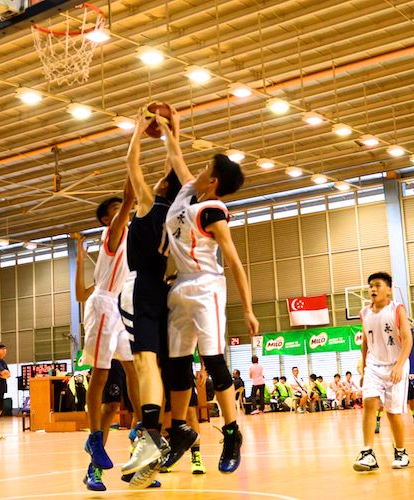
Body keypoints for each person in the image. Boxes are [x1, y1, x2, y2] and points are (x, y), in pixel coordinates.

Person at [159, 109, 259, 474]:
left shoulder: (212, 210)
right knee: (176, 365)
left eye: (204, 167)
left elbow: (233, 261)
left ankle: (232, 431)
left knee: (214, 362)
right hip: (180, 287)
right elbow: (175, 156)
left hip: (206, 287)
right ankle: (179, 429)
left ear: (213, 180)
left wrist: (247, 309)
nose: (196, 169)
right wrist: (173, 127)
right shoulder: (187, 195)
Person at [117, 110, 183, 488]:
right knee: (156, 367)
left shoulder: (149, 203)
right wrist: (174, 132)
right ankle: (163, 432)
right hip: (164, 287)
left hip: (141, 286)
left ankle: (150, 437)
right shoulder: (176, 215)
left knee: (142, 364)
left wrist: (139, 131)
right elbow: (174, 167)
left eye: (160, 180)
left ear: (160, 190)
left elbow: (131, 164)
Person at [74, 179, 144, 491]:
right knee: (101, 378)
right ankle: (94, 441)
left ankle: (142, 436)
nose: (125, 213)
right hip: (103, 307)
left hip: (122, 308)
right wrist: (136, 146)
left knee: (135, 370)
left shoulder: (133, 240)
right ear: (108, 219)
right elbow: (130, 198)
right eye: (118, 211)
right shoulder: (112, 234)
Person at [353, 271, 413, 472]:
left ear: (388, 290)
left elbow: (407, 340)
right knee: (369, 403)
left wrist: (398, 366)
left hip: (396, 365)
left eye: (378, 285)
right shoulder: (365, 313)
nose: (373, 289)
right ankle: (368, 453)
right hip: (373, 366)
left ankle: (401, 452)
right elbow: (365, 342)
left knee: (392, 413)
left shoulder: (397, 309)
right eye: (370, 286)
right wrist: (363, 367)